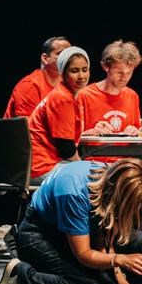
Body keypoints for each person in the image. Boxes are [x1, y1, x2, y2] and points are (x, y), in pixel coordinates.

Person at [0, 159, 142, 284]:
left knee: (136, 244)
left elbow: (102, 236)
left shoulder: (109, 180)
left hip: (77, 232)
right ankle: (22, 279)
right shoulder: (73, 193)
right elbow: (84, 254)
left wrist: (120, 277)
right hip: (41, 235)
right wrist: (119, 260)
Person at [79, 40, 142, 263]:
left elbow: (136, 132)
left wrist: (134, 131)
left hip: (128, 162)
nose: (124, 77)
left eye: (129, 72)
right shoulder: (86, 95)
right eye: (119, 71)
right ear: (106, 67)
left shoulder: (132, 96)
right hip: (99, 163)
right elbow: (74, 135)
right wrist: (93, 129)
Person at [28, 46, 90, 182]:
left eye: (84, 70)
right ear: (63, 73)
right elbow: (66, 148)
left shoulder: (67, 94)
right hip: (42, 167)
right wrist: (81, 167)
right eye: (74, 71)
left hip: (44, 163)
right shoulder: (63, 98)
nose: (81, 76)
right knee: (98, 178)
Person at [2, 36, 71, 118]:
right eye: (61, 53)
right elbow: (25, 127)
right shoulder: (30, 85)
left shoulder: (71, 83)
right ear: (45, 58)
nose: (68, 58)